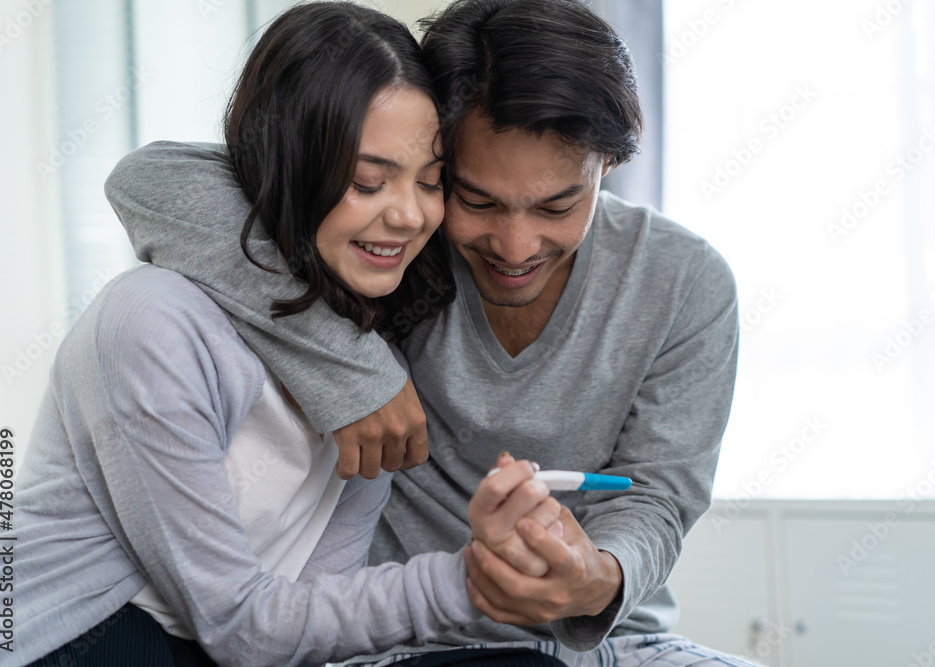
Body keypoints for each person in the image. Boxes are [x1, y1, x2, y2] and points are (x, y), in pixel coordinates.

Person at [104, 0, 762, 665]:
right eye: (475, 199)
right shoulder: (396, 245)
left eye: (558, 205)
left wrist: (597, 576)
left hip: (618, 639)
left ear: (608, 166)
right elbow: (150, 178)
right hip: (403, 642)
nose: (514, 245)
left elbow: (656, 493)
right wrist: (354, 369)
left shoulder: (686, 282)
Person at [0, 4, 567, 666]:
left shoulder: (377, 373)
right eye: (366, 181)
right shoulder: (153, 323)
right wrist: (465, 582)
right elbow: (239, 624)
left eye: (430, 182)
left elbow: (306, 625)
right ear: (289, 165)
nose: (407, 214)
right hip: (76, 638)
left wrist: (497, 563)